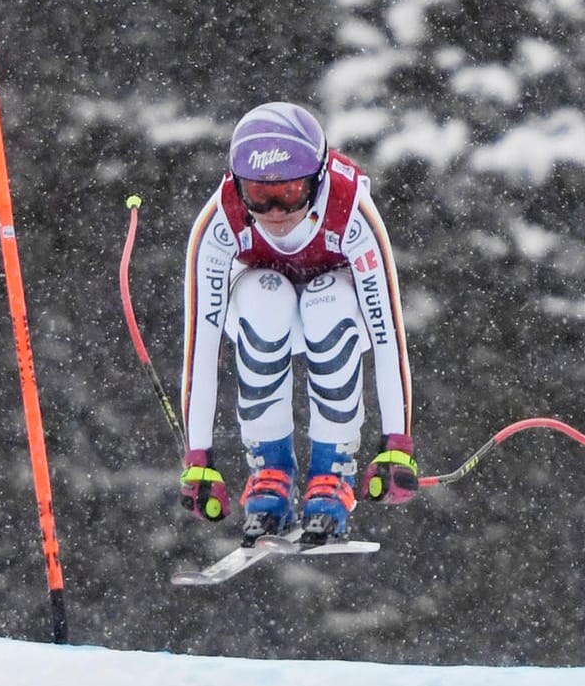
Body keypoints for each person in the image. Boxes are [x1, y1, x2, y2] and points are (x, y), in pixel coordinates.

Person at [177, 101, 418, 546]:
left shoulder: (350, 208)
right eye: (258, 194)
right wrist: (198, 457)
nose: (273, 211)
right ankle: (269, 472)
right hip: (263, 311)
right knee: (262, 295)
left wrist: (397, 445)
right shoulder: (221, 219)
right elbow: (201, 345)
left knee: (327, 305)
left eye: (289, 193)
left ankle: (332, 474)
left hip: (339, 307)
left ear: (319, 178)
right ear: (236, 184)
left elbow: (389, 338)